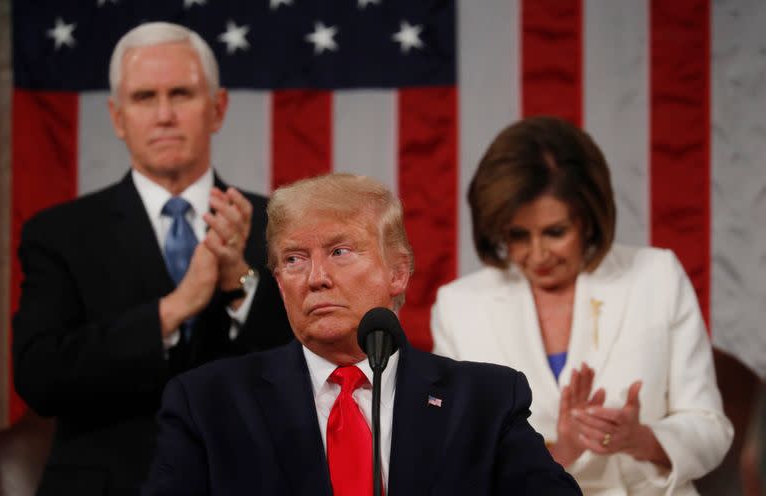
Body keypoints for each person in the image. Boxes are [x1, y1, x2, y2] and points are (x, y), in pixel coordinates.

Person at [142, 173, 582, 495]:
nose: (316, 277)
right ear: (278, 283)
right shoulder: (208, 403)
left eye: (340, 252)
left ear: (398, 272)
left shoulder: (485, 400)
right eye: (293, 260)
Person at [12, 22, 293, 496]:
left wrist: (237, 284)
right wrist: (174, 308)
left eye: (181, 93)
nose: (164, 115)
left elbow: (307, 368)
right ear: (118, 117)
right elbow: (40, 378)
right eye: (144, 98)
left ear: (218, 107)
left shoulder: (280, 224)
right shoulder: (58, 233)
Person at [431, 116, 734, 494]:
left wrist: (641, 438)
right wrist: (559, 452)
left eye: (555, 232)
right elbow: (457, 457)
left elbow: (710, 427)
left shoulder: (657, 276)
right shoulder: (460, 306)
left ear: (590, 219)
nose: (537, 254)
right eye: (518, 235)